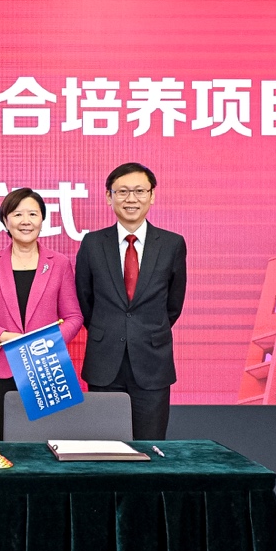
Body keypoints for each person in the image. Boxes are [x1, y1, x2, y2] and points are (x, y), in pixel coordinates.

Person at [75, 162, 186, 440]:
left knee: (150, 445)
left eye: (139, 191)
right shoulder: (92, 243)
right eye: (122, 191)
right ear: (109, 196)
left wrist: (145, 330)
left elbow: (173, 304)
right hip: (105, 361)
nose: (131, 199)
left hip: (152, 362)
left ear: (152, 195)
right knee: (104, 447)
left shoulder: (172, 244)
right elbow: (85, 300)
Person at [0, 188, 83, 440]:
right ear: (5, 220)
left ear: (42, 219)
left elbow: (74, 317)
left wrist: (45, 341)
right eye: (17, 214)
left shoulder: (59, 263)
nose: (25, 221)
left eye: (33, 214)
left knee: (43, 443)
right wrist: (4, 336)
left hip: (46, 366)